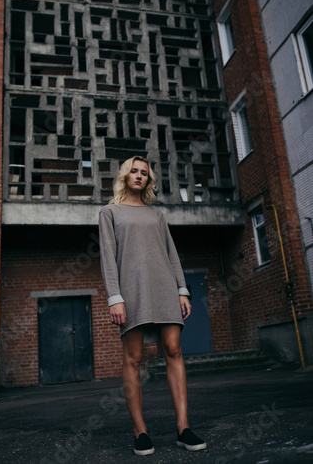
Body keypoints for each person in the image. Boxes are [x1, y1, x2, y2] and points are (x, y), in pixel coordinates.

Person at [98, 156, 207, 456]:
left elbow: (171, 254)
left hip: (164, 288)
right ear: (124, 176)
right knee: (133, 357)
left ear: (149, 180)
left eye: (144, 173)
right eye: (133, 171)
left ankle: (183, 427)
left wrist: (182, 289)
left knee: (173, 349)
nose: (139, 176)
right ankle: (140, 431)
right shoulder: (109, 212)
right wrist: (114, 297)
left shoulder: (156, 215)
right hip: (131, 291)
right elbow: (108, 257)